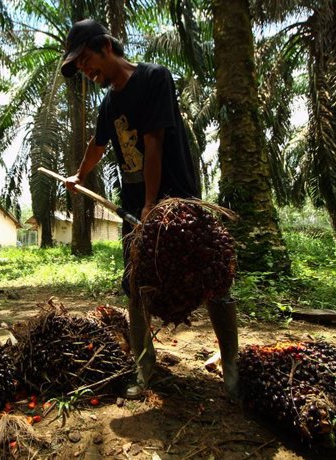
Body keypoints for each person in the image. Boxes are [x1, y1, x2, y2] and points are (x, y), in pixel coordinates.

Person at [61, 19, 240, 401]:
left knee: (210, 275)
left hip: (176, 198)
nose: (85, 70)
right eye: (78, 67)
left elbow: (153, 142)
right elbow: (98, 144)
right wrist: (77, 176)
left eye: (85, 59)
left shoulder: (155, 78)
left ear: (106, 46)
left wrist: (151, 205)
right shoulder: (109, 103)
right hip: (136, 207)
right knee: (136, 284)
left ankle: (232, 368)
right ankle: (145, 368)